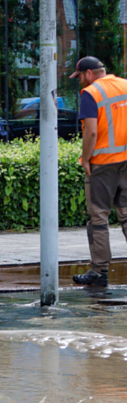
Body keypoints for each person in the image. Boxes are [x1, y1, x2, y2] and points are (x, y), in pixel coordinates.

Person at [71, 56, 127, 287]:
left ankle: (99, 271)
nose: (80, 81)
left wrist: (85, 159)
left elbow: (91, 132)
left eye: (80, 76)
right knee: (126, 215)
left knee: (98, 218)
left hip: (103, 164)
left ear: (89, 74)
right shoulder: (125, 84)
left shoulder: (90, 93)